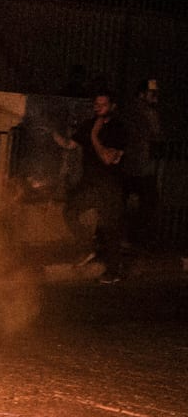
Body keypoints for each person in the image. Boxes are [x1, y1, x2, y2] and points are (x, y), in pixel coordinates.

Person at [53, 91, 129, 284]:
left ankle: (114, 272)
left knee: (110, 229)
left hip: (109, 187)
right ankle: (88, 247)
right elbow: (71, 145)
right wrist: (53, 133)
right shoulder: (88, 124)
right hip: (90, 185)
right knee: (70, 211)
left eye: (103, 105)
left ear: (112, 106)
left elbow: (107, 158)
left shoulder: (118, 129)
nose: (98, 108)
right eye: (96, 104)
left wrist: (94, 135)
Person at [120, 79, 162, 250]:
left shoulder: (130, 110)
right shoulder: (145, 113)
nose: (156, 97)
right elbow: (156, 134)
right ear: (142, 94)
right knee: (146, 203)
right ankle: (132, 239)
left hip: (132, 165)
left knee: (130, 203)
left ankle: (126, 238)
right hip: (138, 167)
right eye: (152, 93)